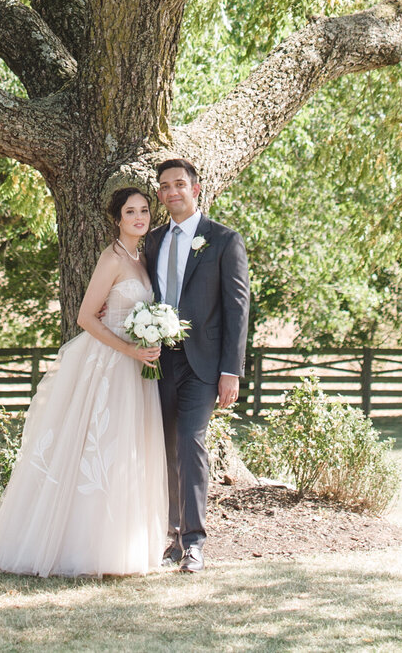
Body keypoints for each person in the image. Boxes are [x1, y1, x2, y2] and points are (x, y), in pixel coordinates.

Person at [0, 186, 169, 577]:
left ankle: (124, 547)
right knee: (99, 451)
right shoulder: (111, 258)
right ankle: (81, 551)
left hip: (138, 371)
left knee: (128, 455)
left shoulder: (143, 259)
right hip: (111, 367)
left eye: (144, 210)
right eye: (130, 212)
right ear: (118, 219)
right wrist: (129, 350)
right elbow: (85, 317)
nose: (139, 217)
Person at [144, 158, 250, 572]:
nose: (173, 192)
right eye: (165, 186)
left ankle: (194, 542)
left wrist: (232, 370)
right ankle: (171, 537)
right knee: (165, 448)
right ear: (159, 194)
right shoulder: (152, 242)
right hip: (157, 362)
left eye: (180, 185)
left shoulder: (224, 240)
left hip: (204, 365)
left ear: (196, 188)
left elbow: (237, 309)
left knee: (191, 442)